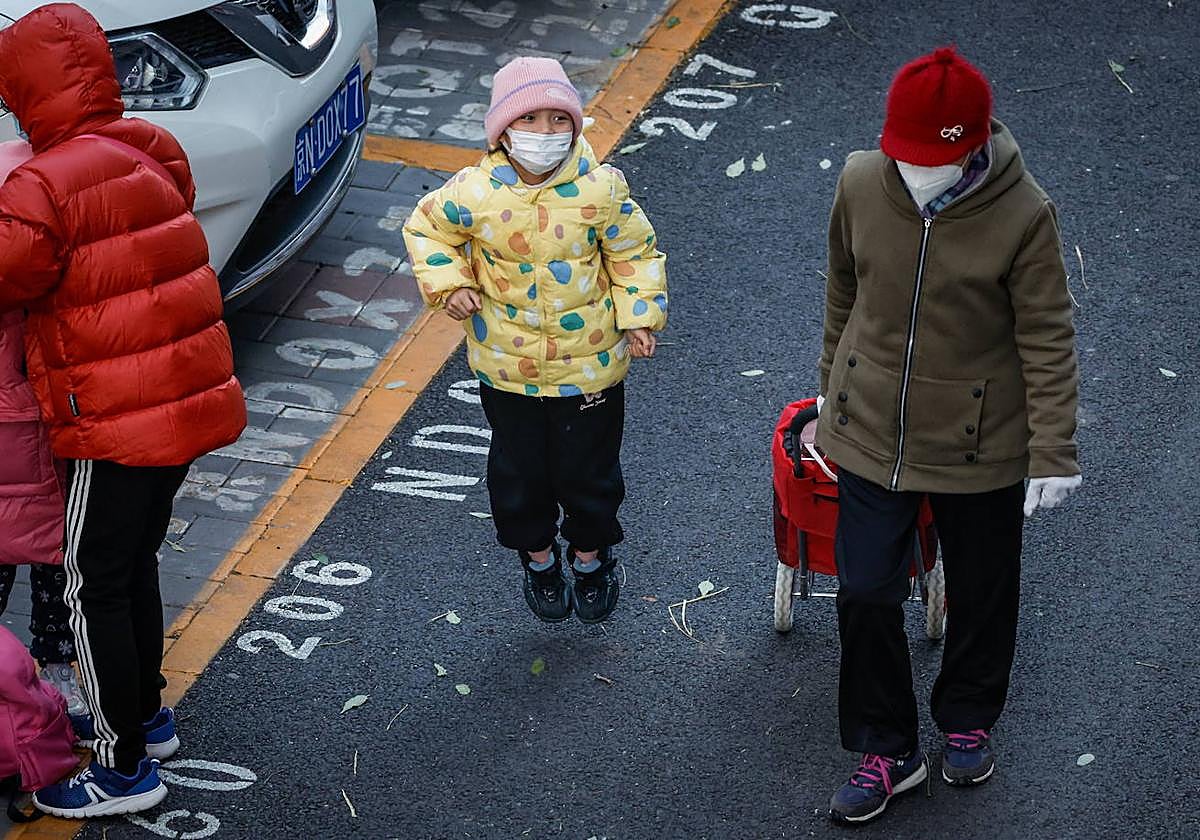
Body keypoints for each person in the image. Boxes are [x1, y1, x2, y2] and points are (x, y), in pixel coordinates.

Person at [816, 47, 1081, 824]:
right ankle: (887, 748)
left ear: (971, 146)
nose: (914, 171)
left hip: (982, 442)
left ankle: (967, 716)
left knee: (984, 588)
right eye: (905, 155)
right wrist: (831, 391)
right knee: (863, 590)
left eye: (933, 158)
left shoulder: (1024, 212)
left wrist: (1054, 449)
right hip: (869, 430)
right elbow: (842, 289)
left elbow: (1046, 335)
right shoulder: (863, 181)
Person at [0, 3, 247, 819]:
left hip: (113, 416)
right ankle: (145, 713)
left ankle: (121, 766)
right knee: (132, 562)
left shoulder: (42, 180)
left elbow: (14, 273)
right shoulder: (149, 143)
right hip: (184, 401)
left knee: (88, 583)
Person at [403, 56, 667, 625]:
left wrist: (639, 314)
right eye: (530, 122)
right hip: (506, 370)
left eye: (558, 120)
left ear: (576, 125)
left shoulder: (601, 189)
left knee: (590, 473)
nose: (546, 135)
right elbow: (427, 232)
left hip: (591, 367)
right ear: (502, 132)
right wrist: (449, 285)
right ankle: (540, 559)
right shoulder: (473, 193)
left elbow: (633, 253)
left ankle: (592, 559)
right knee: (519, 475)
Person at [0, 138, 87, 720]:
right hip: (34, 419)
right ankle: (57, 667)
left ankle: (56, 667)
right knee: (55, 548)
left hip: (37, 419)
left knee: (50, 545)